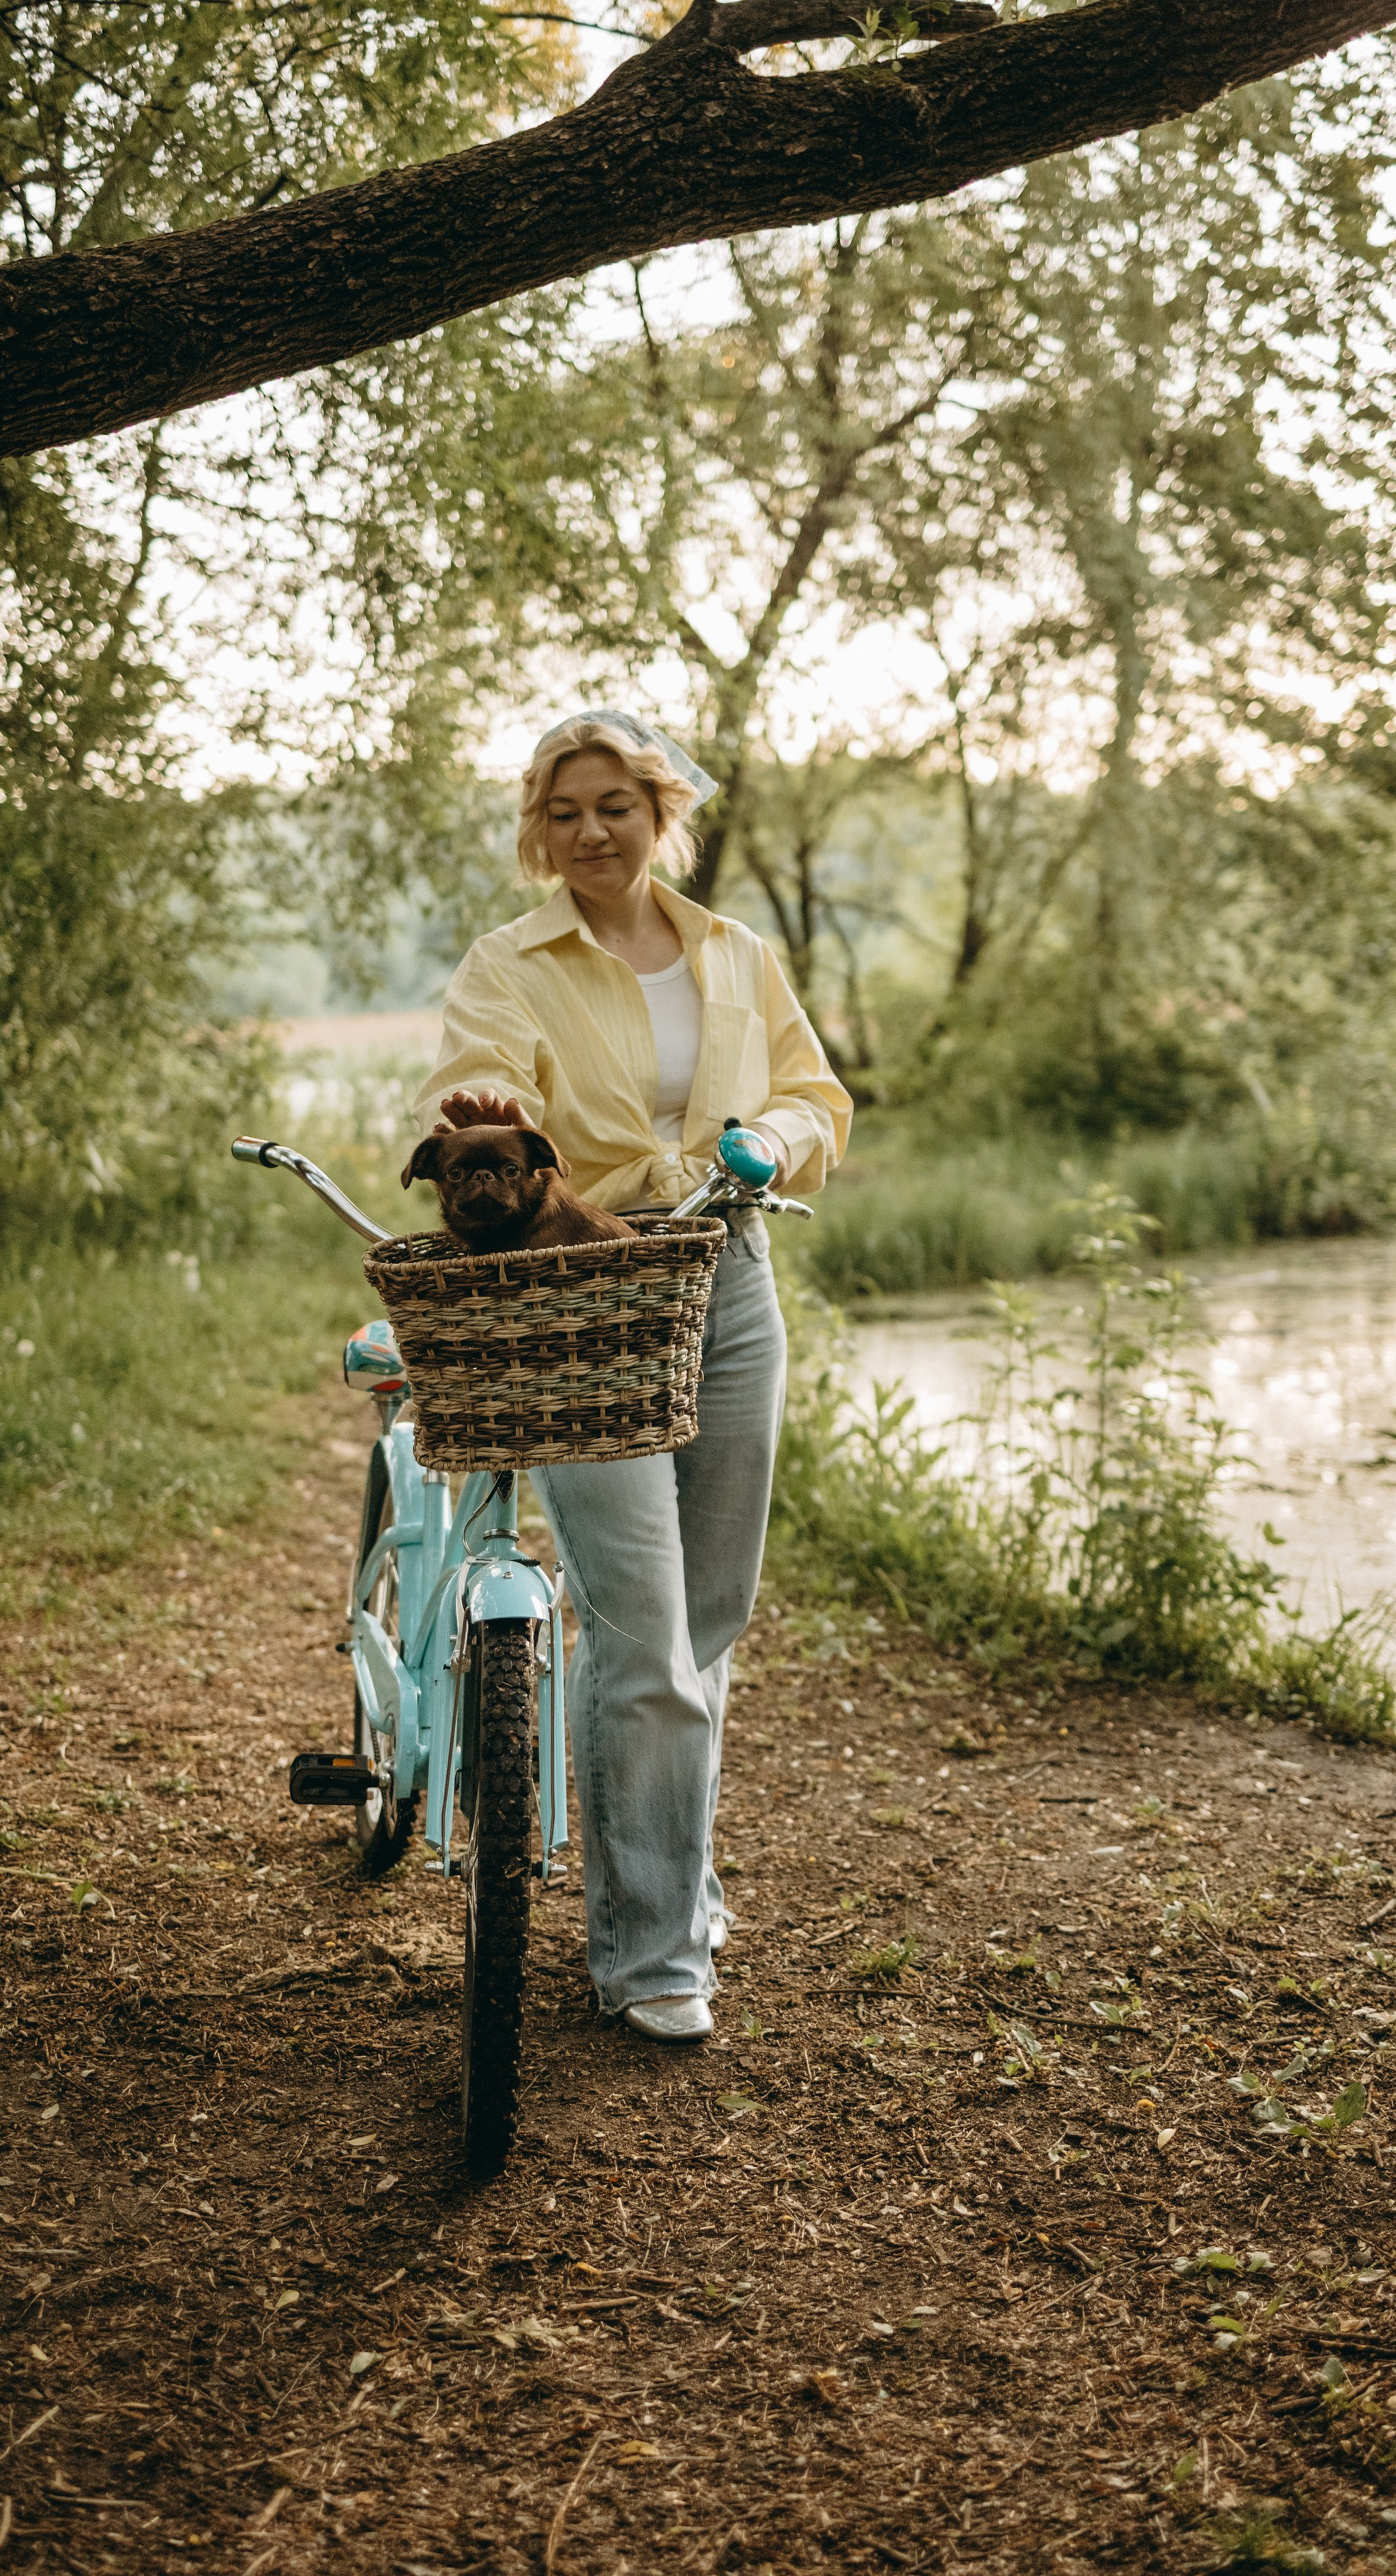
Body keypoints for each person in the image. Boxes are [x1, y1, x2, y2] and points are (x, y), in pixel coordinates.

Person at [414, 712, 852, 2043]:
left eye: (615, 805)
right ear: (537, 832)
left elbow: (817, 1097)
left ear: (663, 814)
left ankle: (673, 1878)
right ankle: (654, 1953)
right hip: (580, 1290)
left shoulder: (734, 951)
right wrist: (485, 1118)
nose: (590, 830)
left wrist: (775, 1139)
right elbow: (479, 1085)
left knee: (708, 1620)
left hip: (728, 1276)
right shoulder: (509, 963)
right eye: (563, 811)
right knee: (642, 1629)